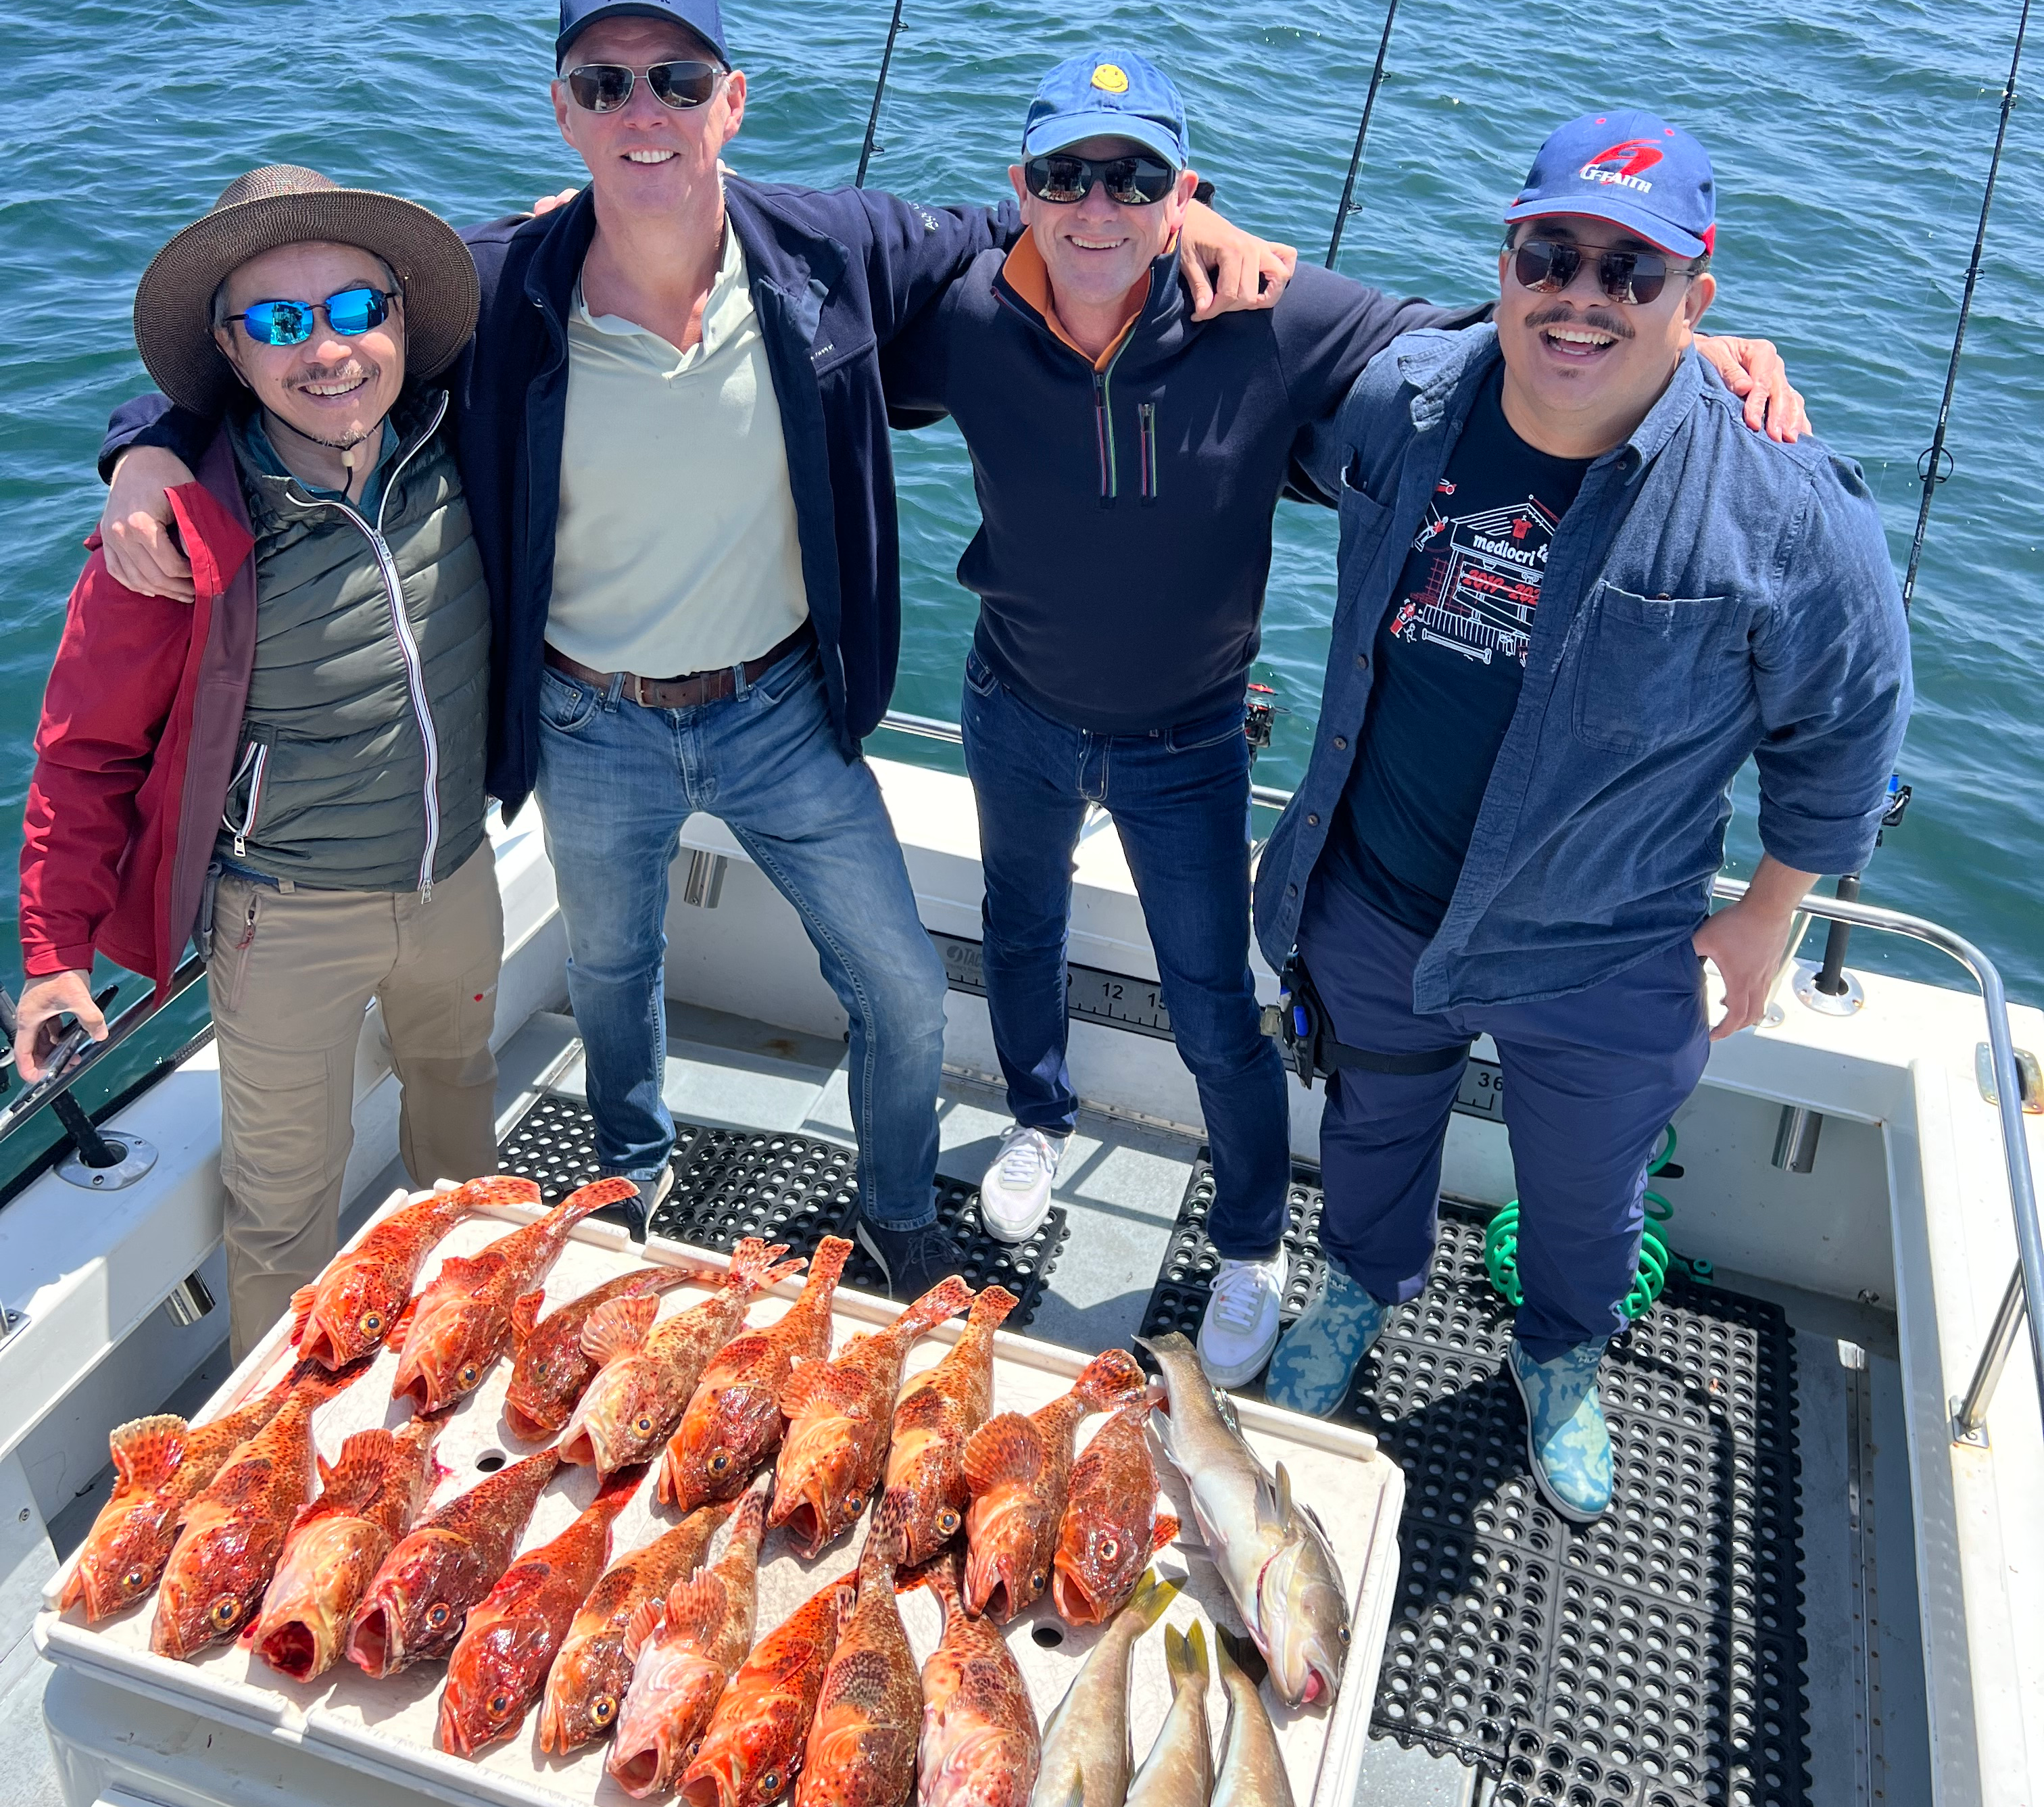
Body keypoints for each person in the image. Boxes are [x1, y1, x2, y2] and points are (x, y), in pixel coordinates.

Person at [91, 0, 1289, 1298]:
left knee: (898, 980)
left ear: (733, 102)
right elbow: (305, 352)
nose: (641, 110)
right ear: (563, 113)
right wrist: (143, 442)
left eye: (676, 78)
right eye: (604, 87)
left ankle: (893, 1208)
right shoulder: (500, 283)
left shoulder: (826, 248)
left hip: (781, 708)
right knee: (611, 974)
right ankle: (629, 1190)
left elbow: (1032, 219)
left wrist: (1199, 215)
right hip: (588, 719)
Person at [880, 56, 1805, 1384]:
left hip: (1184, 737)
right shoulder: (969, 314)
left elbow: (1480, 347)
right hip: (1008, 698)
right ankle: (1037, 1114)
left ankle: (1252, 1240)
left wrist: (1680, 365)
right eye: (1065, 177)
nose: (1098, 205)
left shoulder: (1267, 320)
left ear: (1181, 191)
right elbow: (848, 302)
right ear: (1020, 189)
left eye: (1135, 178)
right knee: (1015, 930)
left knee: (1214, 1002)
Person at [1253, 112, 1911, 1520]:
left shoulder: (1789, 508)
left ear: (1700, 298)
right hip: (1373, 899)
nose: (1583, 295)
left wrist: (1767, 913)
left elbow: (1848, 724)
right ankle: (1360, 1288)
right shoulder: (1404, 398)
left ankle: (1561, 1354)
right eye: (1551, 253)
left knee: (1588, 1197)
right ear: (1506, 261)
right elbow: (1244, 323)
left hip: (1608, 950)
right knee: (1371, 1132)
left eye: (1634, 273)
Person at [15, 167, 500, 1362]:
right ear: (231, 355)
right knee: (286, 1214)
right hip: (284, 922)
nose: (326, 349)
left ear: (401, 314)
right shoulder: (169, 537)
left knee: (461, 1128)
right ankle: (279, 1482)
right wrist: (48, 959)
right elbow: (82, 758)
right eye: (281, 324)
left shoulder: (472, 435)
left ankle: (478, 1353)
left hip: (461, 880)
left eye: (352, 309)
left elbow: (576, 256)